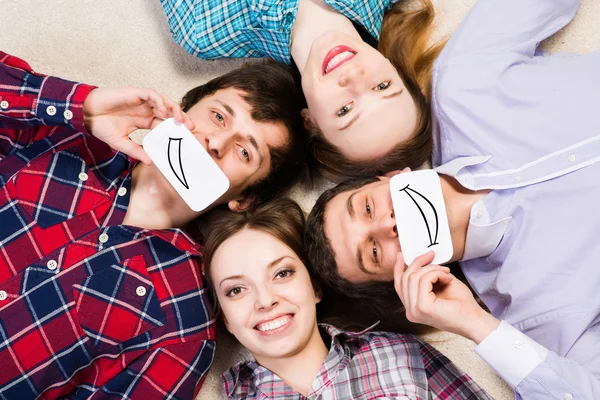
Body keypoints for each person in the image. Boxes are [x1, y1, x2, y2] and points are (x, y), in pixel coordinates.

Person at [304, 1, 600, 397]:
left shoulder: (462, 85)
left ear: (391, 177)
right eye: (374, 251)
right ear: (401, 281)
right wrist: (474, 324)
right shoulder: (535, 319)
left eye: (368, 207)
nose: (386, 224)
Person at [0, 50, 305, 399]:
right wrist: (84, 106)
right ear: (184, 107)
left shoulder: (183, 323)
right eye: (218, 116)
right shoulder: (71, 131)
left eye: (245, 152)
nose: (216, 143)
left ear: (246, 199)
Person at [201, 198, 491, 399]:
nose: (264, 300)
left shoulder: (400, 355)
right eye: (236, 290)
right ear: (225, 317)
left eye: (282, 273)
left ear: (314, 286)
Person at [161, 0, 444, 179]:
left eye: (345, 110)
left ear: (310, 121)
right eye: (383, 86)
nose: (353, 78)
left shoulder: (202, 32)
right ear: (395, 68)